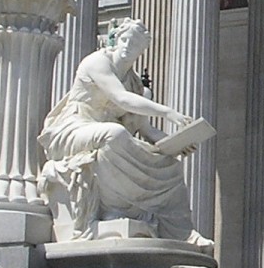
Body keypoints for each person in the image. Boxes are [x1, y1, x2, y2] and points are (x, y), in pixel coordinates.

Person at [37, 19, 210, 246]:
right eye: (125, 40)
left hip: (107, 135)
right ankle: (115, 208)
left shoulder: (136, 85)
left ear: (142, 50)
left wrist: (176, 143)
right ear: (116, 39)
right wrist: (168, 112)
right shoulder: (97, 62)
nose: (128, 46)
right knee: (114, 134)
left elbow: (145, 129)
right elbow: (121, 98)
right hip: (73, 129)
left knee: (171, 164)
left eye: (135, 44)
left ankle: (182, 232)